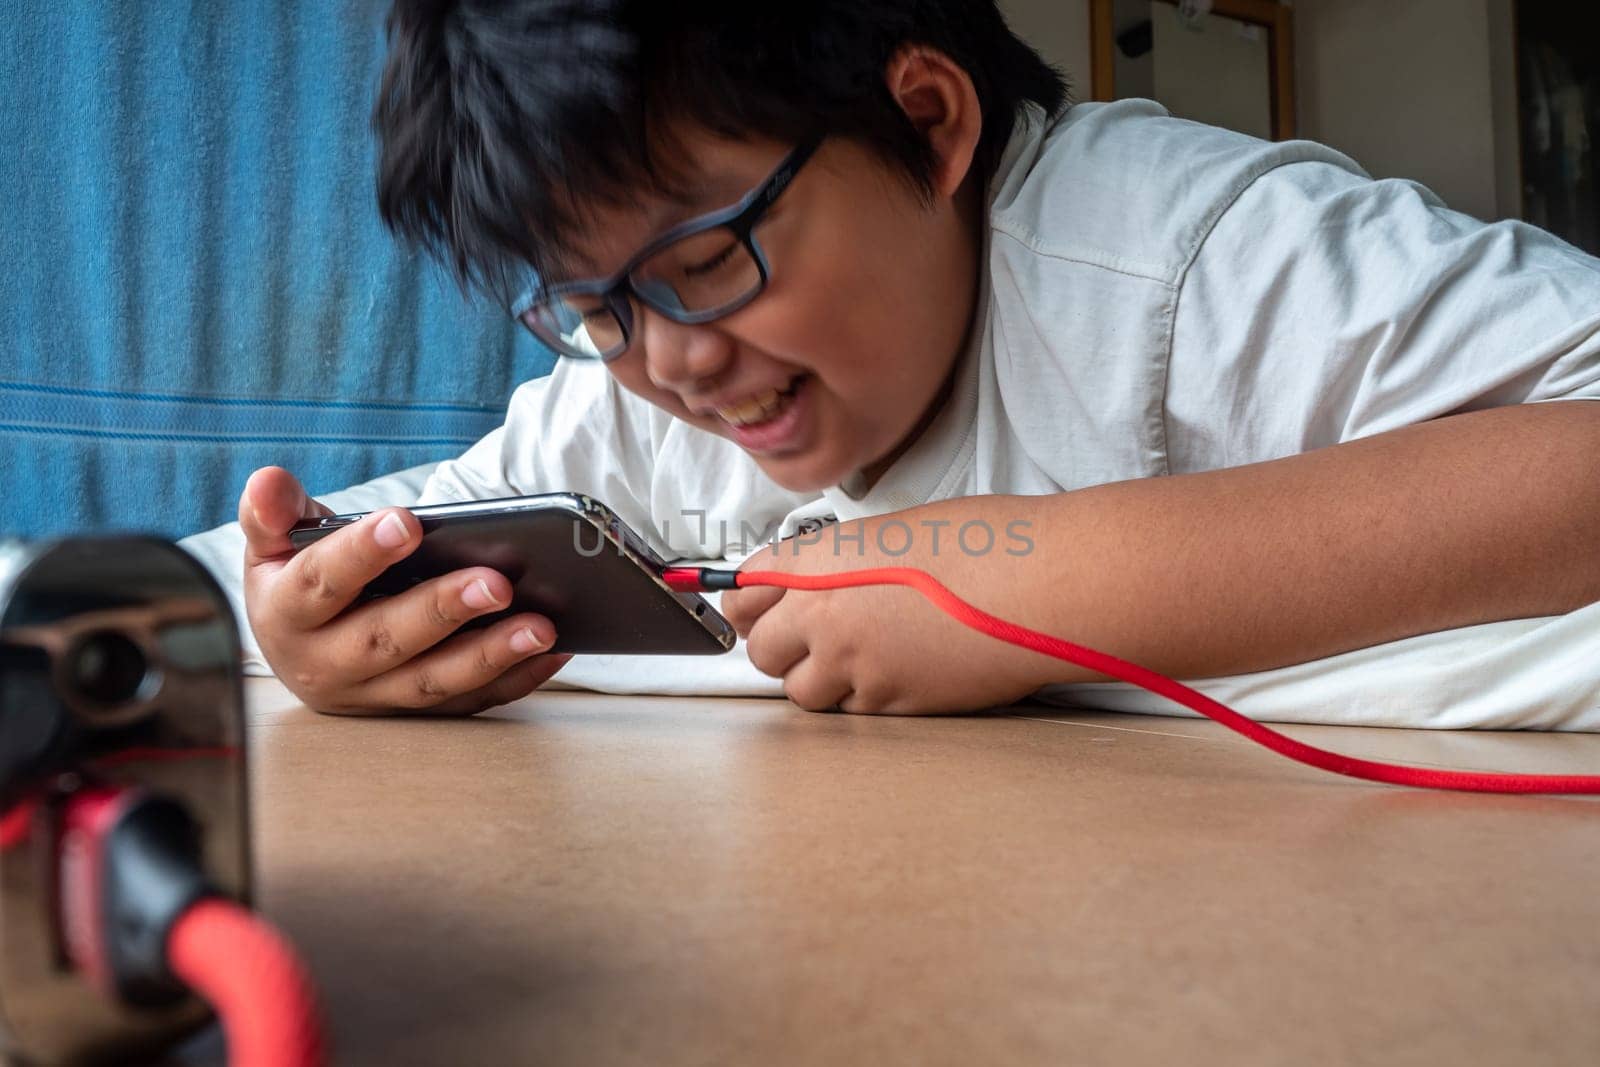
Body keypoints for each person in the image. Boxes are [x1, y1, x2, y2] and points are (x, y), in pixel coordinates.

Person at [222, 1, 1600, 724]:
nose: (675, 362)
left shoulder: (1187, 262)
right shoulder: (627, 408)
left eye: (707, 262)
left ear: (930, 122)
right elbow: (352, 559)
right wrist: (331, 637)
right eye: (596, 306)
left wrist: (1027, 576)